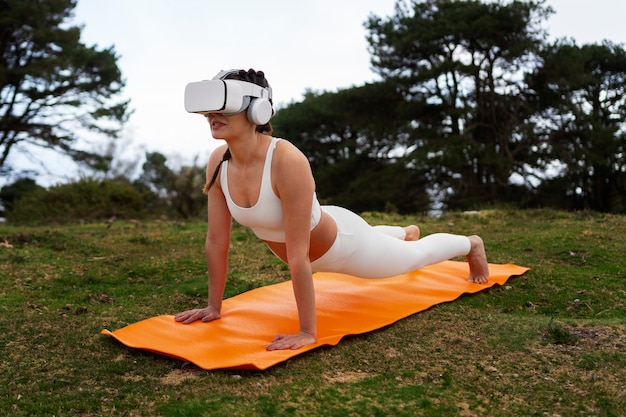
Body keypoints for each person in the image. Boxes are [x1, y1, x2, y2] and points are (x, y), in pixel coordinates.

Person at [174, 69, 490, 351]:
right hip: (323, 235)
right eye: (211, 107)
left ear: (257, 109)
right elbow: (217, 242)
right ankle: (402, 232)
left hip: (346, 246)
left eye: (225, 105)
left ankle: (470, 244)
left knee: (414, 259)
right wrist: (214, 307)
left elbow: (299, 254)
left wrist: (307, 332)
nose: (213, 114)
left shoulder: (287, 160)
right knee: (390, 242)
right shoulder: (219, 161)